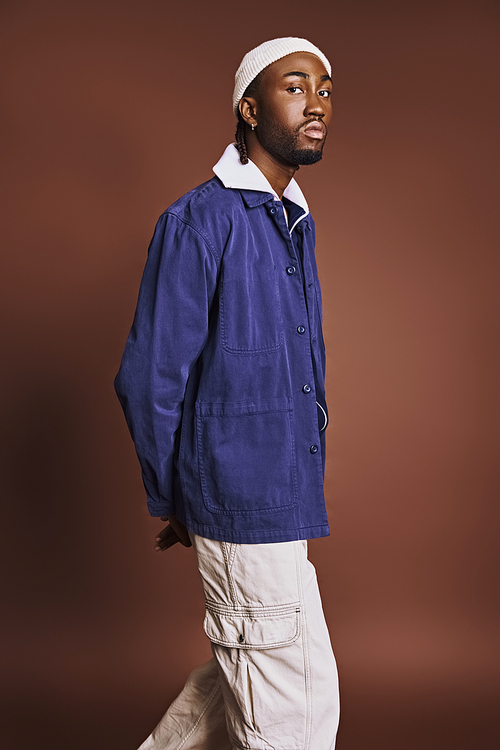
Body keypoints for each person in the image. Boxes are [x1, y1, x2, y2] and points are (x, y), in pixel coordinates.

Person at [115, 36, 340, 750]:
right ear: (249, 108)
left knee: (248, 674)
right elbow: (149, 376)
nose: (318, 104)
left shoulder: (289, 222)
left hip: (282, 498)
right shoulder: (200, 221)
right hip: (242, 504)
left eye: (327, 90)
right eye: (296, 87)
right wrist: (176, 496)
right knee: (291, 720)